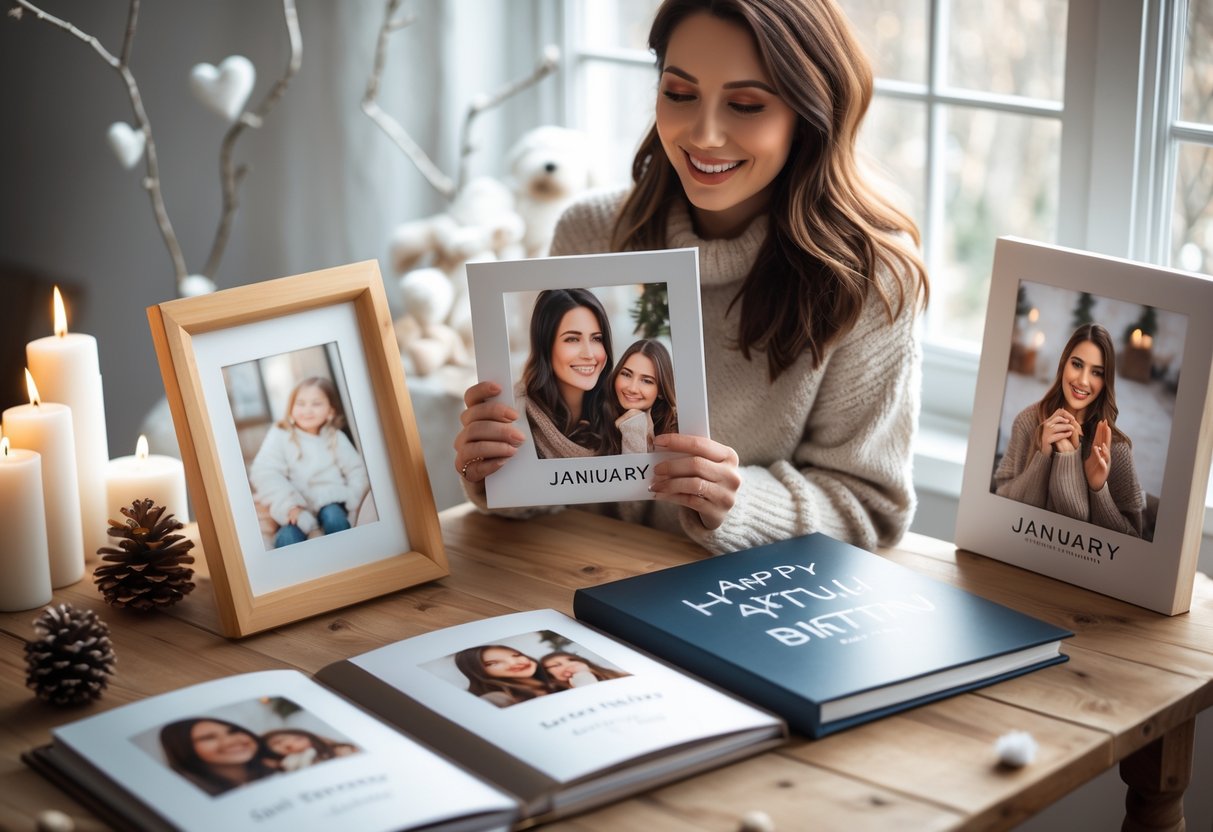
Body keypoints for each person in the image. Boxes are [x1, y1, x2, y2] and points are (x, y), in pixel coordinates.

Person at [454, 0, 929, 554]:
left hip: (748, 602)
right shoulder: (590, 230)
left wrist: (740, 503)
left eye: (746, 105)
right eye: (679, 94)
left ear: (811, 113)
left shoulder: (871, 277)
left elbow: (871, 507)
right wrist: (504, 466)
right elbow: (560, 481)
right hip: (582, 578)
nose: (704, 135)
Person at [993, 323, 1144, 537]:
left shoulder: (1116, 449)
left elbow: (1133, 541)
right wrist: (1042, 456)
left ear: (1105, 381)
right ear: (1064, 363)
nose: (1082, 381)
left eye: (1096, 372)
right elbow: (1001, 501)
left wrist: (1098, 488)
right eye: (1077, 364)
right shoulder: (1027, 421)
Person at [249, 376, 371, 549]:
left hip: (331, 499)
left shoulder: (335, 437)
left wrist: (352, 497)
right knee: (287, 537)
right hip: (299, 505)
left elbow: (357, 470)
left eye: (316, 403)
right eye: (300, 403)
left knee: (334, 518)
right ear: (291, 409)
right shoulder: (280, 434)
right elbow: (264, 472)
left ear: (331, 412)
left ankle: (350, 553)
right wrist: (291, 507)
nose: (307, 410)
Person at [515, 288, 616, 459]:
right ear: (545, 346)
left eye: (596, 339)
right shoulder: (515, 416)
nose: (589, 354)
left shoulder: (621, 411)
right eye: (572, 339)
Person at [159, 718, 276, 796]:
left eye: (233, 731)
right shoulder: (194, 797)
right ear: (183, 750)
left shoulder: (283, 767)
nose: (231, 741)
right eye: (208, 738)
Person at [605, 339, 679, 455]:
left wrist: (635, 425)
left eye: (646, 381)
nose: (632, 389)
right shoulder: (593, 419)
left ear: (660, 391)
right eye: (626, 374)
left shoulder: (676, 429)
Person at [453, 644, 561, 707]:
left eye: (516, 655)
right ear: (477, 671)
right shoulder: (496, 698)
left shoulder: (553, 679)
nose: (514, 663)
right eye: (492, 663)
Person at [262, 728, 358, 772]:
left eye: (280, 740)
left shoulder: (337, 747)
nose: (288, 741)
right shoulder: (302, 765)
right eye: (288, 747)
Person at [540, 651, 629, 688]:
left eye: (572, 660)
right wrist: (582, 676)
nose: (569, 665)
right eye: (556, 665)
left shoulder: (619, 675)